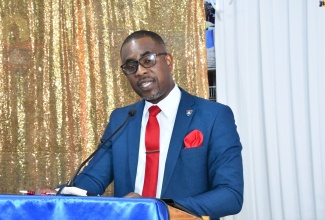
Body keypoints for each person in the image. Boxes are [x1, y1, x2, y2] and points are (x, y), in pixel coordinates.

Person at [38, 30, 243, 219]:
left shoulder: (213, 116)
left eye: (148, 60)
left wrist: (156, 207)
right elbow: (92, 179)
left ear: (169, 61)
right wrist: (58, 195)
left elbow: (230, 195)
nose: (140, 71)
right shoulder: (122, 119)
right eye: (131, 66)